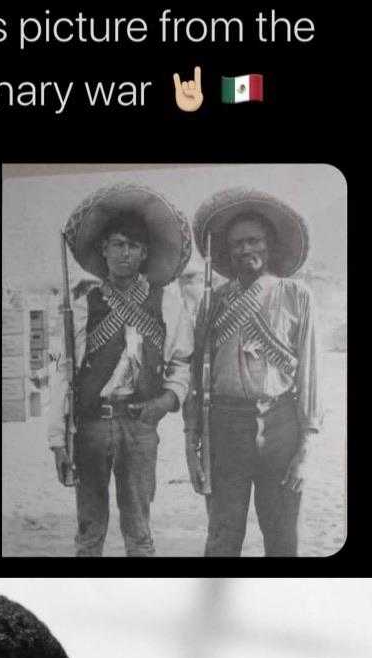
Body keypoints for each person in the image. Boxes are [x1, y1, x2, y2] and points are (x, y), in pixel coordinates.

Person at [48, 182, 193, 558]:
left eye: (133, 245)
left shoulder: (167, 301)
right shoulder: (82, 303)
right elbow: (63, 372)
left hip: (140, 426)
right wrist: (57, 441)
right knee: (89, 533)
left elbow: (182, 361)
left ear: (144, 252)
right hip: (91, 426)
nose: (124, 253)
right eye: (117, 244)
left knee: (140, 533)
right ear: (104, 250)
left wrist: (166, 401)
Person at [184, 187, 322, 557]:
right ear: (227, 253)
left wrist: (304, 449)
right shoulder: (213, 300)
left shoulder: (297, 295)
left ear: (269, 244)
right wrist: (191, 439)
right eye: (237, 245)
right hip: (225, 428)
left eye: (254, 241)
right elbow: (197, 376)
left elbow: (309, 372)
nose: (246, 250)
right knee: (222, 539)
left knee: (282, 541)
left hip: (281, 425)